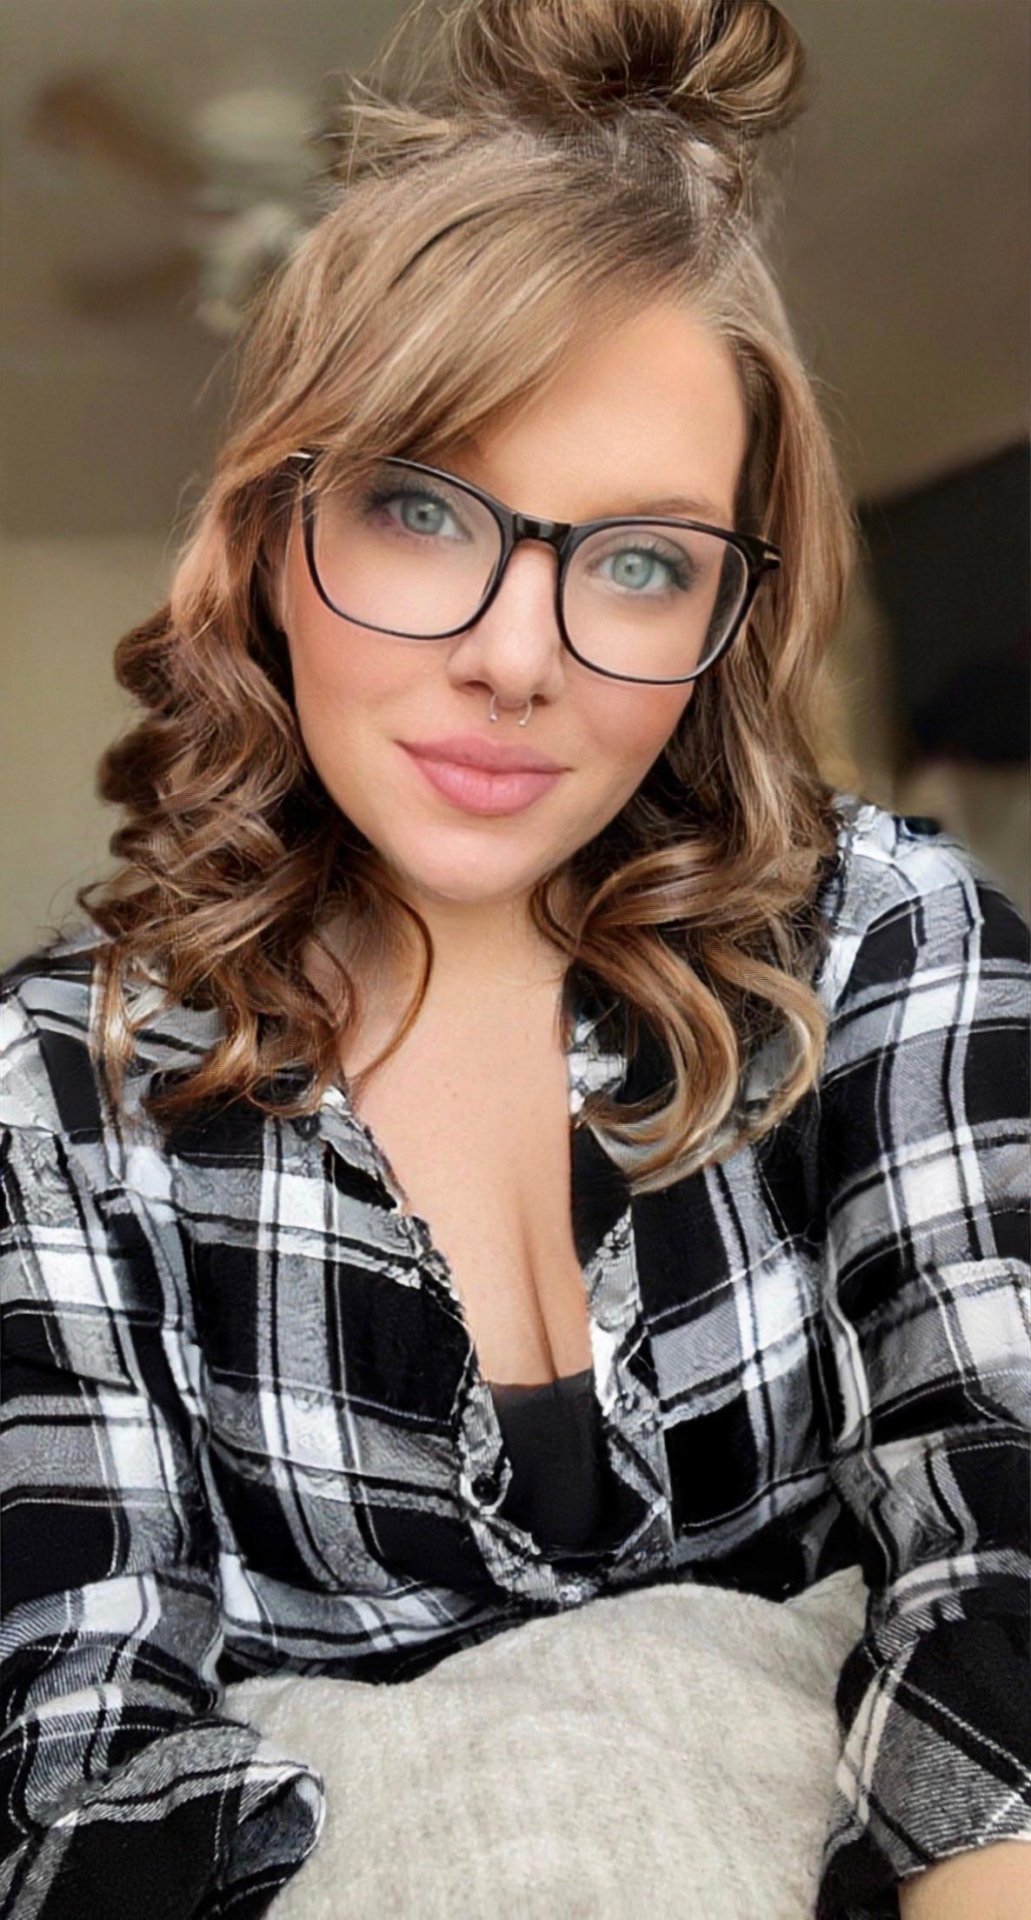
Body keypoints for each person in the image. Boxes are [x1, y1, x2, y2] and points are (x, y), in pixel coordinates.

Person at [2, 1, 1028, 1915]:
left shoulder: (891, 942)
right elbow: (70, 1749)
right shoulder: (60, 1095)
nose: (519, 657)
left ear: (729, 617)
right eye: (420, 506)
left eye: (641, 559)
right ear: (273, 534)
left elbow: (1009, 1520)